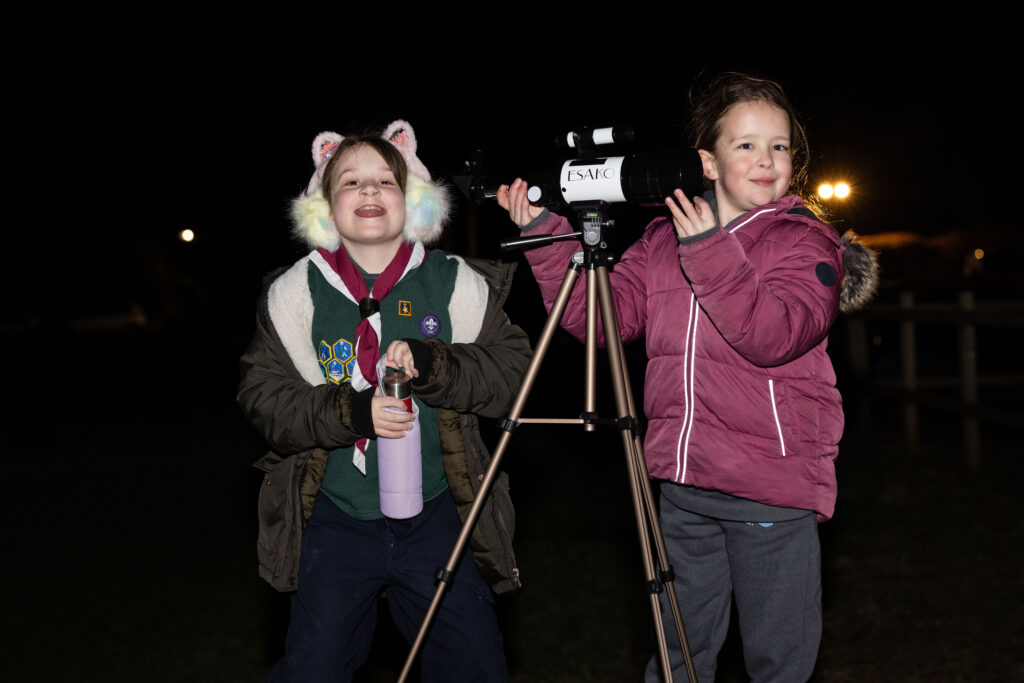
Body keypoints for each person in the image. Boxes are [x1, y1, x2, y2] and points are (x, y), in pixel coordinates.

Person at [498, 73, 878, 682]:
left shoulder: (806, 243)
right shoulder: (660, 240)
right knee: (680, 653)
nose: (766, 159)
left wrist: (706, 248)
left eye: (779, 146)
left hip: (769, 488)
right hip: (683, 485)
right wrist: (547, 237)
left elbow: (773, 335)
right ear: (707, 161)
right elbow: (603, 318)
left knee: (777, 661)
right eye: (746, 145)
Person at [238, 120, 529, 682]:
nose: (369, 189)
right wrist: (350, 411)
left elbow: (513, 372)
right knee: (316, 665)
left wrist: (436, 363)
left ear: (412, 201)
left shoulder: (455, 285)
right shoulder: (293, 294)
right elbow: (264, 396)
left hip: (439, 513)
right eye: (350, 181)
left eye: (386, 181)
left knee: (472, 661)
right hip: (334, 517)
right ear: (325, 208)